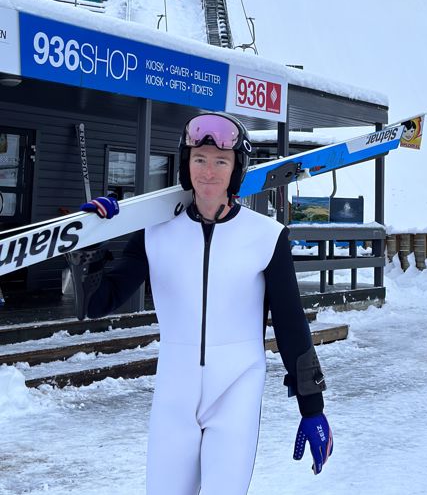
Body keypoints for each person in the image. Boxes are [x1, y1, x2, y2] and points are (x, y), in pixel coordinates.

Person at [71, 111, 332, 495]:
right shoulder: (154, 233)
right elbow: (97, 303)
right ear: (186, 164)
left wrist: (312, 407)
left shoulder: (266, 236)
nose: (208, 172)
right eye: (199, 159)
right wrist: (91, 241)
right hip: (174, 397)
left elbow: (291, 324)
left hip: (237, 393)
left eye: (221, 162)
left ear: (236, 168)